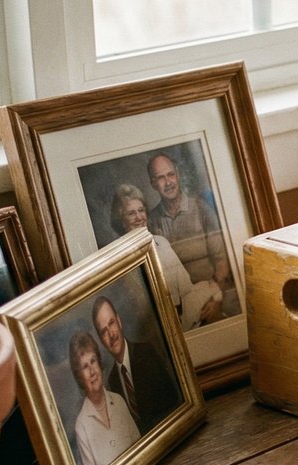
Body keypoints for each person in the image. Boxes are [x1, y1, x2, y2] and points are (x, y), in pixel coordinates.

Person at [112, 183, 223, 329]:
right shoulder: (121, 259)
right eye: (131, 213)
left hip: (185, 317)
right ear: (121, 221)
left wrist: (215, 296)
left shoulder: (160, 242)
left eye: (141, 210)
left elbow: (186, 289)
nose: (139, 217)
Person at [146, 153, 240, 318]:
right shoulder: (151, 221)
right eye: (160, 178)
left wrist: (216, 298)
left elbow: (221, 260)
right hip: (177, 306)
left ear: (178, 175)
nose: (168, 182)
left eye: (171, 175)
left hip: (213, 295)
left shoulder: (201, 209)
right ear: (153, 184)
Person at [92, 295, 180, 435]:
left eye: (112, 323)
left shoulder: (147, 353)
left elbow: (174, 403)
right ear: (101, 340)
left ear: (119, 322)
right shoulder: (112, 380)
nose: (111, 334)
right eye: (103, 332)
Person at [68, 330, 140, 465]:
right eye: (85, 367)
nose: (92, 371)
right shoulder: (82, 425)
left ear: (100, 364)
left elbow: (140, 448)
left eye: (93, 361)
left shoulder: (119, 401)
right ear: (79, 377)